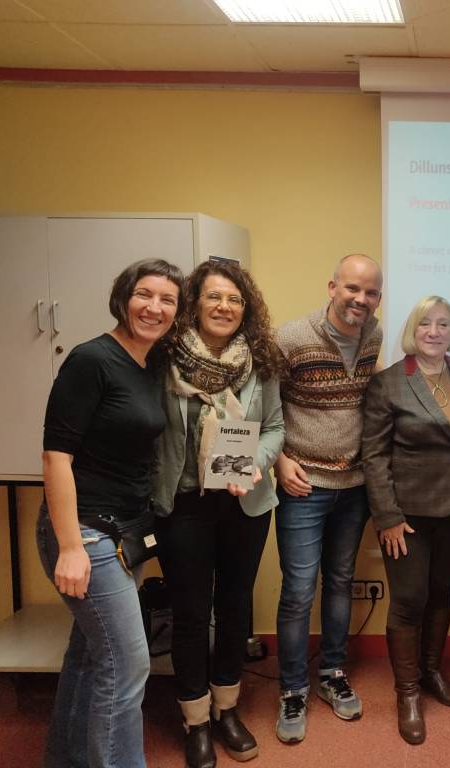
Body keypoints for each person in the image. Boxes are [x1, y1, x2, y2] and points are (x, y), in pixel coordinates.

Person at [36, 258, 183, 768]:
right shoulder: (91, 360)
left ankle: (68, 760)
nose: (154, 307)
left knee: (89, 657)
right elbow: (55, 457)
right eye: (145, 294)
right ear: (123, 297)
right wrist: (70, 547)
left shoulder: (151, 364)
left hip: (126, 531)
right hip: (87, 534)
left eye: (167, 300)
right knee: (126, 666)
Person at [153, 261, 285, 767]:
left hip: (244, 504)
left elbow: (275, 428)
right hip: (184, 506)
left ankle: (227, 709)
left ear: (245, 309)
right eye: (214, 296)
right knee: (190, 614)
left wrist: (254, 463)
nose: (224, 307)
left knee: (235, 608)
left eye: (234, 299)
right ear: (194, 302)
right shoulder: (164, 360)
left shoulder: (260, 362)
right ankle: (196, 720)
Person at [361, 295, 450, 745]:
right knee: (409, 599)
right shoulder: (389, 383)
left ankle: (431, 671)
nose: (434, 331)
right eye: (425, 323)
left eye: (443, 324)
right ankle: (408, 692)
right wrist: (387, 516)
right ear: (412, 330)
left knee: (442, 592)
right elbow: (374, 456)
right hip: (406, 516)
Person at [272, 254, 383, 744]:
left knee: (340, 583)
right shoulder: (291, 338)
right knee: (298, 591)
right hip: (303, 485)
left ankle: (332, 674)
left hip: (354, 487)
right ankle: (292, 689)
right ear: (332, 286)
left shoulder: (374, 335)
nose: (360, 299)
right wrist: (278, 462)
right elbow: (263, 406)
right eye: (352, 288)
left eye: (371, 292)